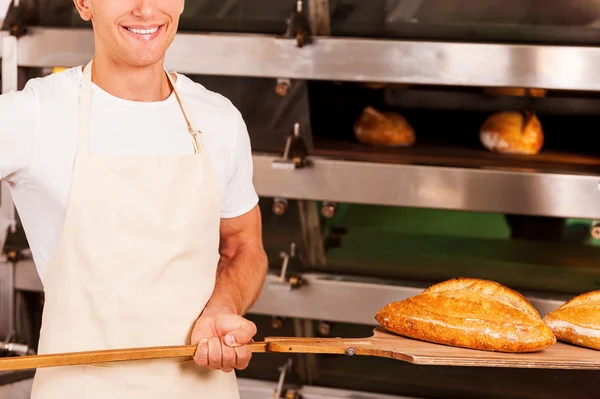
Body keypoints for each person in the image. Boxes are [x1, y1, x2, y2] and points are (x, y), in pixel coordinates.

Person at [0, 0, 268, 398]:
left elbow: (245, 245)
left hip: (203, 388)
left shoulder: (218, 118)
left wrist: (223, 307)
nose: (145, 9)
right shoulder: (33, 115)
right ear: (83, 3)